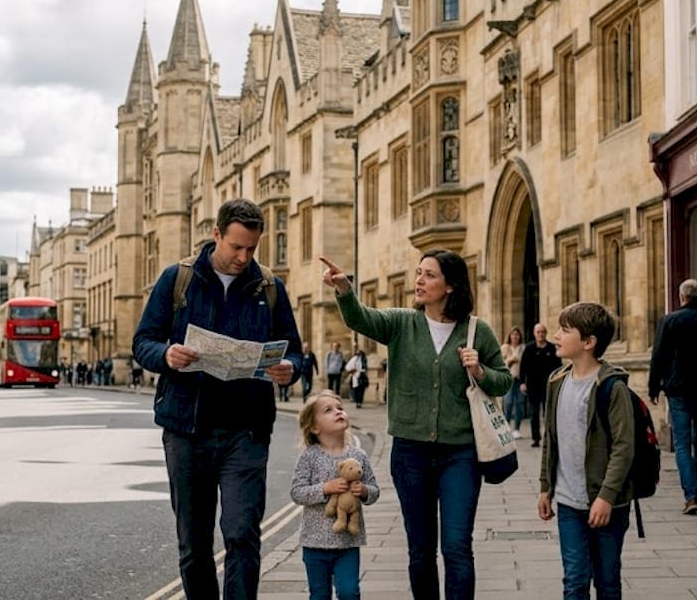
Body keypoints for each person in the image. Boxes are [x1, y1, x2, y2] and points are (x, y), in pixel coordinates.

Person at [133, 198, 304, 599]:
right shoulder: (178, 280)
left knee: (242, 534)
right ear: (216, 235)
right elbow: (143, 342)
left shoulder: (269, 288)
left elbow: (294, 350)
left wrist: (290, 368)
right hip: (186, 430)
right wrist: (167, 355)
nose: (244, 257)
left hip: (246, 432)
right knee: (194, 544)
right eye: (236, 247)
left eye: (251, 249)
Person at [321, 249, 511, 599]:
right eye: (419, 273)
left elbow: (504, 381)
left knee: (457, 546)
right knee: (420, 549)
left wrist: (480, 370)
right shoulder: (402, 323)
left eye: (429, 275)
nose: (419, 280)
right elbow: (361, 319)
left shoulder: (476, 331)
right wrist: (344, 289)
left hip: (460, 455)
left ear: (450, 286)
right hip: (411, 454)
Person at [537, 302, 635, 600]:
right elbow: (550, 439)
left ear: (588, 342)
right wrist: (545, 487)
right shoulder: (556, 381)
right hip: (568, 502)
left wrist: (606, 497)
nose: (556, 336)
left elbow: (623, 447)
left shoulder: (612, 387)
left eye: (565, 330)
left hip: (607, 503)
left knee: (607, 582)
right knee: (575, 582)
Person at [648, 278, 697, 515]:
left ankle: (691, 495)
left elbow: (658, 356)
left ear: (682, 297)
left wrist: (654, 387)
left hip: (678, 389)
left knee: (682, 444)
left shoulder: (669, 321)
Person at [290, 390, 380, 600]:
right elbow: (297, 492)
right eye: (328, 410)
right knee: (319, 595)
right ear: (315, 427)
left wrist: (364, 491)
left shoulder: (358, 455)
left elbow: (374, 490)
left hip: (348, 542)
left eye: (340, 408)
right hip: (314, 543)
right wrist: (325, 488)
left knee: (349, 592)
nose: (338, 412)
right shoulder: (309, 456)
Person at [519, 323, 560, 448]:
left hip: (548, 386)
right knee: (534, 413)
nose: (541, 334)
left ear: (546, 333)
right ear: (534, 333)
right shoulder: (529, 348)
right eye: (538, 332)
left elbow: (558, 367)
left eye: (543, 332)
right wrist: (522, 382)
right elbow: (523, 366)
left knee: (548, 413)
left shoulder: (552, 348)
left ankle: (549, 438)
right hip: (533, 386)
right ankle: (536, 438)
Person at [500, 326, 526, 439]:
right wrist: (510, 360)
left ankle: (516, 429)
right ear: (509, 336)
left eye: (517, 334)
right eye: (513, 334)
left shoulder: (523, 348)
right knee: (508, 403)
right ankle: (506, 429)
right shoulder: (505, 347)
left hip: (520, 379)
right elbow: (500, 364)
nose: (515, 336)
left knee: (519, 404)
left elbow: (525, 362)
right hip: (509, 379)